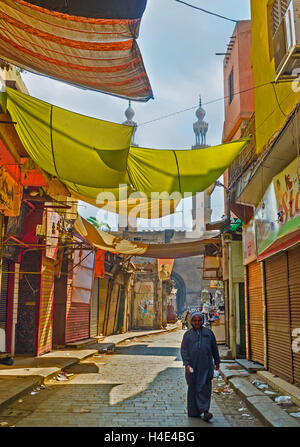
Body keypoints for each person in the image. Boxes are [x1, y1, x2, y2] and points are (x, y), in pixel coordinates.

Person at [180, 311, 220, 422]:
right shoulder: (187, 335)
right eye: (195, 321)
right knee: (193, 387)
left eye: (199, 321)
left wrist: (217, 362)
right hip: (192, 366)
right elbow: (184, 351)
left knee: (205, 387)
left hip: (206, 365)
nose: (197, 323)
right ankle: (193, 411)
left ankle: (205, 410)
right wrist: (187, 364)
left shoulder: (209, 333)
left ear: (202, 321)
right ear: (192, 322)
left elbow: (214, 349)